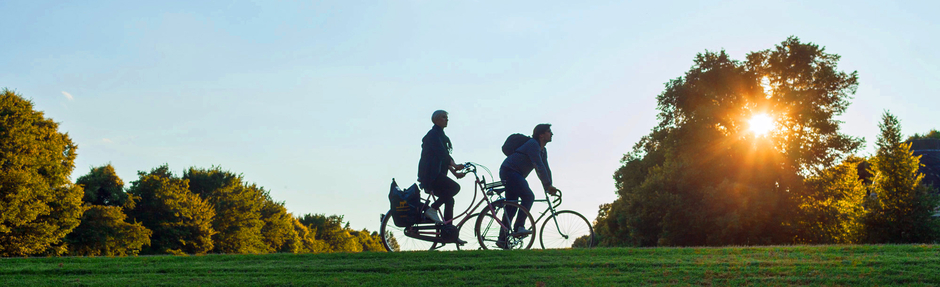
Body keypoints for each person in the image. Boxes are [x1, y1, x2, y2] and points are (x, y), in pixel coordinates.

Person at [498, 123, 559, 248]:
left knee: (512, 205)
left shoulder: (543, 150)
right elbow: (539, 166)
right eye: (549, 131)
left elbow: (546, 168)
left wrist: (549, 186)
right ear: (541, 135)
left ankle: (502, 239)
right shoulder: (533, 144)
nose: (551, 134)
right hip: (510, 171)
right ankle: (519, 227)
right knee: (528, 196)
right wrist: (547, 185)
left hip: (512, 173)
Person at [417, 110, 467, 229]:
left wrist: (455, 172)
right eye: (444, 117)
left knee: (449, 200)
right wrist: (455, 166)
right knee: (455, 188)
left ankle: (448, 231)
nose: (447, 119)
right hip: (430, 175)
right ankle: (432, 209)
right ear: (436, 120)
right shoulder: (433, 135)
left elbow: (443, 158)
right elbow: (442, 154)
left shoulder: (441, 136)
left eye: (446, 117)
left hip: (436, 174)